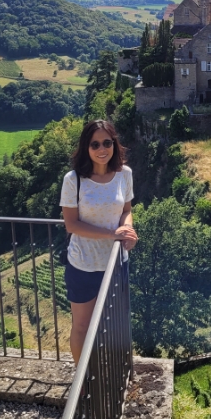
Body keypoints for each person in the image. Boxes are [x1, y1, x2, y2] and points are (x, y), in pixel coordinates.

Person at [60, 119, 137, 363]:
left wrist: (127, 229)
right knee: (82, 326)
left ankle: (108, 372)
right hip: (84, 264)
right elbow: (71, 225)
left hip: (115, 264)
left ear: (115, 143)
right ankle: (83, 382)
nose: (102, 149)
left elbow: (126, 210)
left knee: (114, 324)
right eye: (95, 144)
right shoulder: (74, 180)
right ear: (86, 148)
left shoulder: (124, 174)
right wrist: (112, 235)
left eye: (107, 142)